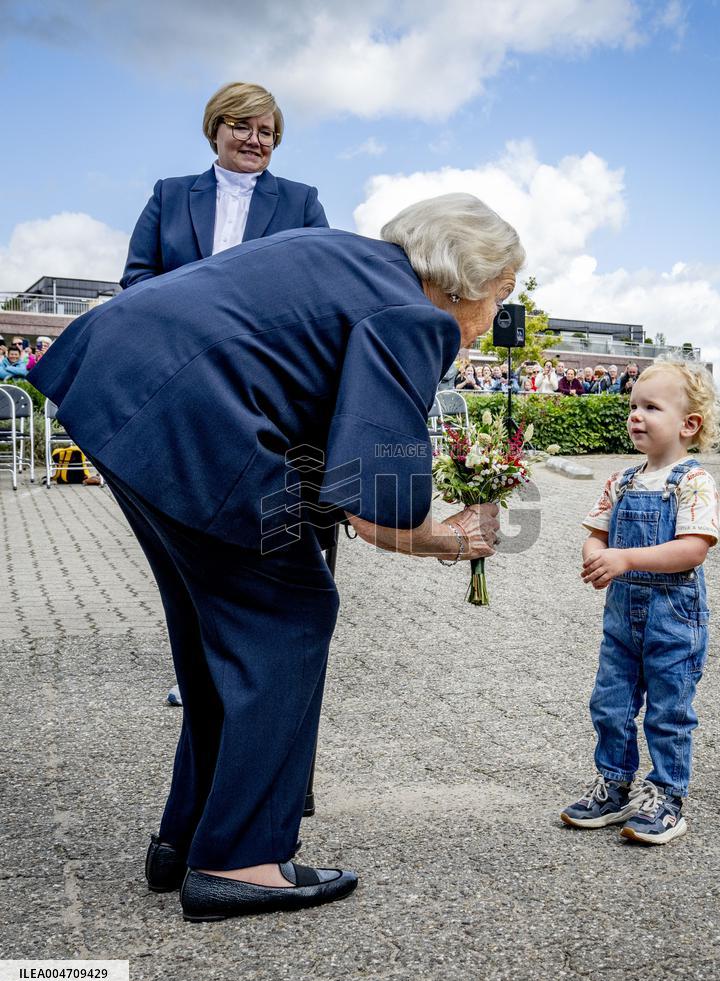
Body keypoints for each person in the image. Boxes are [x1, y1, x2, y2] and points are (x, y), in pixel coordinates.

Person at [30, 192, 523, 922]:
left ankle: (188, 836)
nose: (493, 318)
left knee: (216, 628)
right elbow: (376, 502)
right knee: (288, 614)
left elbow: (312, 422)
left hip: (119, 381)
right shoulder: (415, 313)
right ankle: (240, 860)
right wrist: (448, 539)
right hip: (193, 410)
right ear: (466, 280)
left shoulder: (346, 258)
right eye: (501, 295)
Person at [560, 360, 720, 844]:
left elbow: (693, 549)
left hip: (674, 617)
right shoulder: (622, 481)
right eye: (633, 405)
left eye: (651, 407)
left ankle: (667, 796)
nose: (635, 414)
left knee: (669, 710)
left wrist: (625, 558)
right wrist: (596, 556)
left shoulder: (693, 482)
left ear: (688, 424)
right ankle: (614, 784)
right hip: (622, 618)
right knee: (610, 702)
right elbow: (596, 533)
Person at [120, 82, 328, 288]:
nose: (254, 141)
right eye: (242, 127)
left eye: (265, 133)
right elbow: (137, 275)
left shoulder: (301, 202)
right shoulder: (169, 195)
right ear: (213, 131)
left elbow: (324, 277)